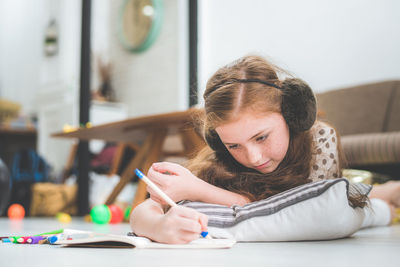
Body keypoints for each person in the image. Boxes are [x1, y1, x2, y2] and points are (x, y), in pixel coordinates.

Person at [130, 55, 400, 244]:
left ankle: (385, 190)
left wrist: (198, 190)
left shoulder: (320, 138)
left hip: (320, 180)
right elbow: (142, 212)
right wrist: (158, 226)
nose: (253, 157)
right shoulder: (221, 155)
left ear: (291, 114)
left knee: (360, 193)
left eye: (261, 137)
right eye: (234, 145)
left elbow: (300, 207)